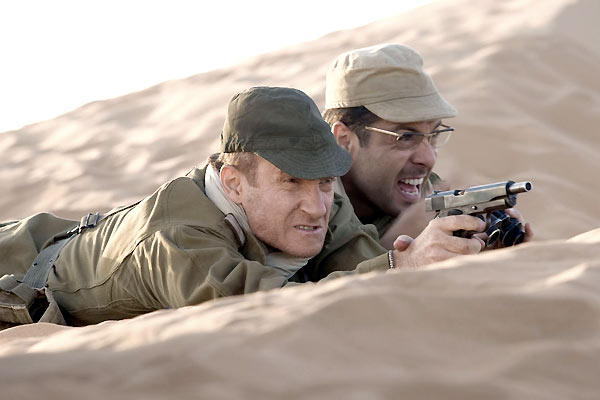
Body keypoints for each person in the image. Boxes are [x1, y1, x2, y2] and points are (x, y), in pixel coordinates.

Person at [0, 86, 487, 328]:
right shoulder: (179, 243)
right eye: (290, 181)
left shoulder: (320, 196)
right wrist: (402, 264)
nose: (315, 205)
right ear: (234, 183)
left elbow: (364, 275)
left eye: (323, 182)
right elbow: (263, 307)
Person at [322, 44, 533, 248]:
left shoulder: (422, 190)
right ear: (345, 140)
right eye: (404, 137)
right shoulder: (303, 204)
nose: (429, 158)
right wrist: (401, 249)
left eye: (434, 135)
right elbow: (310, 283)